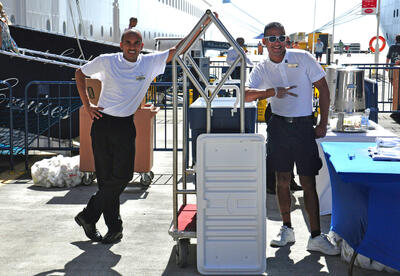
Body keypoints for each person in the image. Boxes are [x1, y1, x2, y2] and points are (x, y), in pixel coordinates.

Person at [74, 18, 212, 244]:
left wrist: (203, 24)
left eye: (136, 42)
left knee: (123, 176)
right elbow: (80, 73)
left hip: (125, 125)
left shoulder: (149, 63)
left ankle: (88, 216)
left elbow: (179, 49)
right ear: (121, 45)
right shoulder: (107, 61)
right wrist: (87, 105)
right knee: (107, 180)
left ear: (141, 45)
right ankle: (114, 228)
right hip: (102, 124)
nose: (131, 46)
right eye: (127, 42)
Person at [245, 22, 339, 255]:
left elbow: (323, 89)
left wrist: (323, 123)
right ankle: (286, 229)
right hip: (278, 126)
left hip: (304, 126)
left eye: (281, 38)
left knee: (308, 181)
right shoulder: (261, 68)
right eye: (272, 39)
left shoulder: (304, 57)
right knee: (282, 179)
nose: (277, 43)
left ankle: (316, 236)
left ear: (286, 40)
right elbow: (245, 96)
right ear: (264, 43)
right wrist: (272, 92)